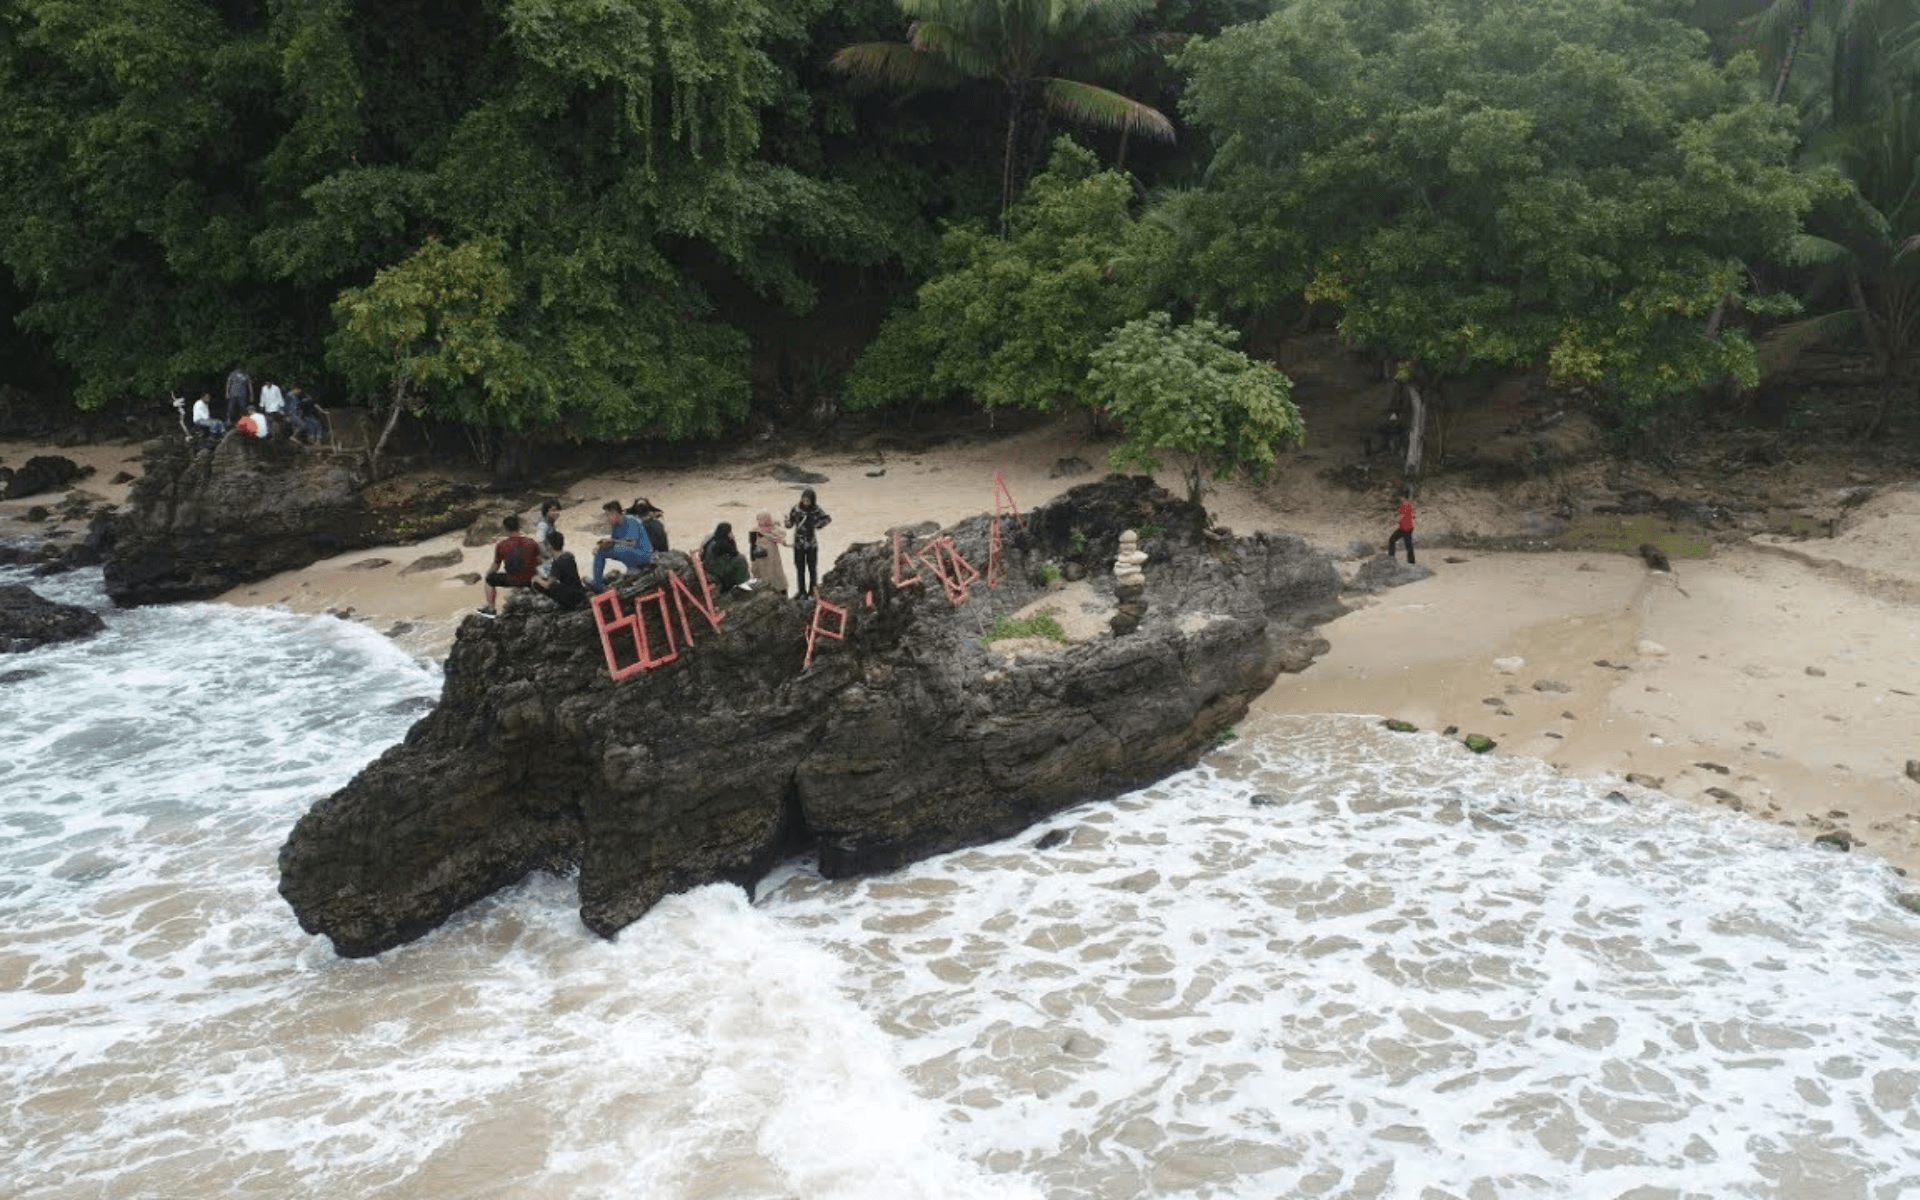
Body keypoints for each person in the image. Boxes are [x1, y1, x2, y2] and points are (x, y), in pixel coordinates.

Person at [479, 514, 541, 616]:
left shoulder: (501, 545)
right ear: (519, 526)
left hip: (512, 580)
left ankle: (491, 609)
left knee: (489, 579)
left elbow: (496, 566)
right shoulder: (531, 542)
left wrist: (488, 574)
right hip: (530, 580)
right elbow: (539, 560)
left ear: (505, 529)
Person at [592, 500, 654, 589]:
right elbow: (615, 542)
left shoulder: (631, 521)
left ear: (615, 513)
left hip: (643, 554)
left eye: (608, 515)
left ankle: (597, 584)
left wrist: (613, 542)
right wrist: (604, 545)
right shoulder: (615, 526)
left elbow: (632, 543)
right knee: (600, 551)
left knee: (608, 550)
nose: (607, 518)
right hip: (630, 553)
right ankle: (597, 583)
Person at [786, 487, 831, 599]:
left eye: (808, 500)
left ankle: (812, 591)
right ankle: (801, 591)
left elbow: (827, 519)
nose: (805, 502)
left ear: (812, 500)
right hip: (798, 544)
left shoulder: (817, 510)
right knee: (800, 569)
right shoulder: (796, 509)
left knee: (812, 568)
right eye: (804, 499)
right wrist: (787, 522)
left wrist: (818, 524)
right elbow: (790, 524)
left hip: (811, 543)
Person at [531, 530, 587, 611]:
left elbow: (548, 584)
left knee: (538, 583)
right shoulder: (569, 555)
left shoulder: (557, 563)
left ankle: (559, 603)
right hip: (579, 592)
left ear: (550, 546)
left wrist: (536, 578)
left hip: (569, 596)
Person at [700, 522, 751, 591]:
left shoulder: (712, 539)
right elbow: (735, 553)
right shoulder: (721, 542)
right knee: (740, 559)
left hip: (710, 566)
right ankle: (743, 581)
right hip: (716, 569)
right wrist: (732, 540)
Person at [748, 511, 788, 596]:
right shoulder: (772, 531)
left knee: (767, 577)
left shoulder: (756, 531)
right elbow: (783, 536)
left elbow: (752, 548)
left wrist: (753, 561)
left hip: (764, 560)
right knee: (775, 577)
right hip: (770, 560)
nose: (759, 521)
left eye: (759, 519)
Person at [1388, 485, 1416, 564]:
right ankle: (1412, 562)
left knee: (1391, 541)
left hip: (1404, 528)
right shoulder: (1410, 503)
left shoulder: (1403, 503)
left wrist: (1400, 525)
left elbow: (1402, 516)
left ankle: (1391, 559)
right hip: (1410, 527)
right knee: (1409, 546)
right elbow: (1410, 516)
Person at [533, 501, 561, 566]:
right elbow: (540, 543)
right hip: (547, 561)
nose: (557, 512)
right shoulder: (543, 525)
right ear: (546, 512)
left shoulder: (550, 523)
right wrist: (549, 556)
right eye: (553, 510)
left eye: (557, 510)